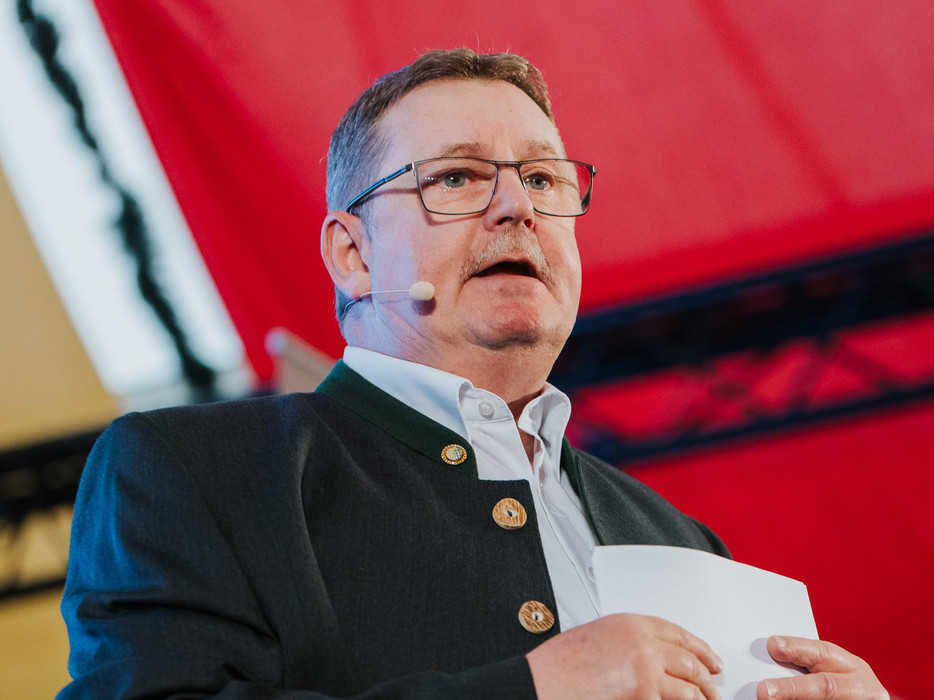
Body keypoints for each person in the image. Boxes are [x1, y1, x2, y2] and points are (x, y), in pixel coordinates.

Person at [60, 49, 888, 699]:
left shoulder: (680, 537)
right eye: (456, 177)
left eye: (543, 179)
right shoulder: (195, 472)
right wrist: (534, 690)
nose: (517, 206)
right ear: (352, 255)